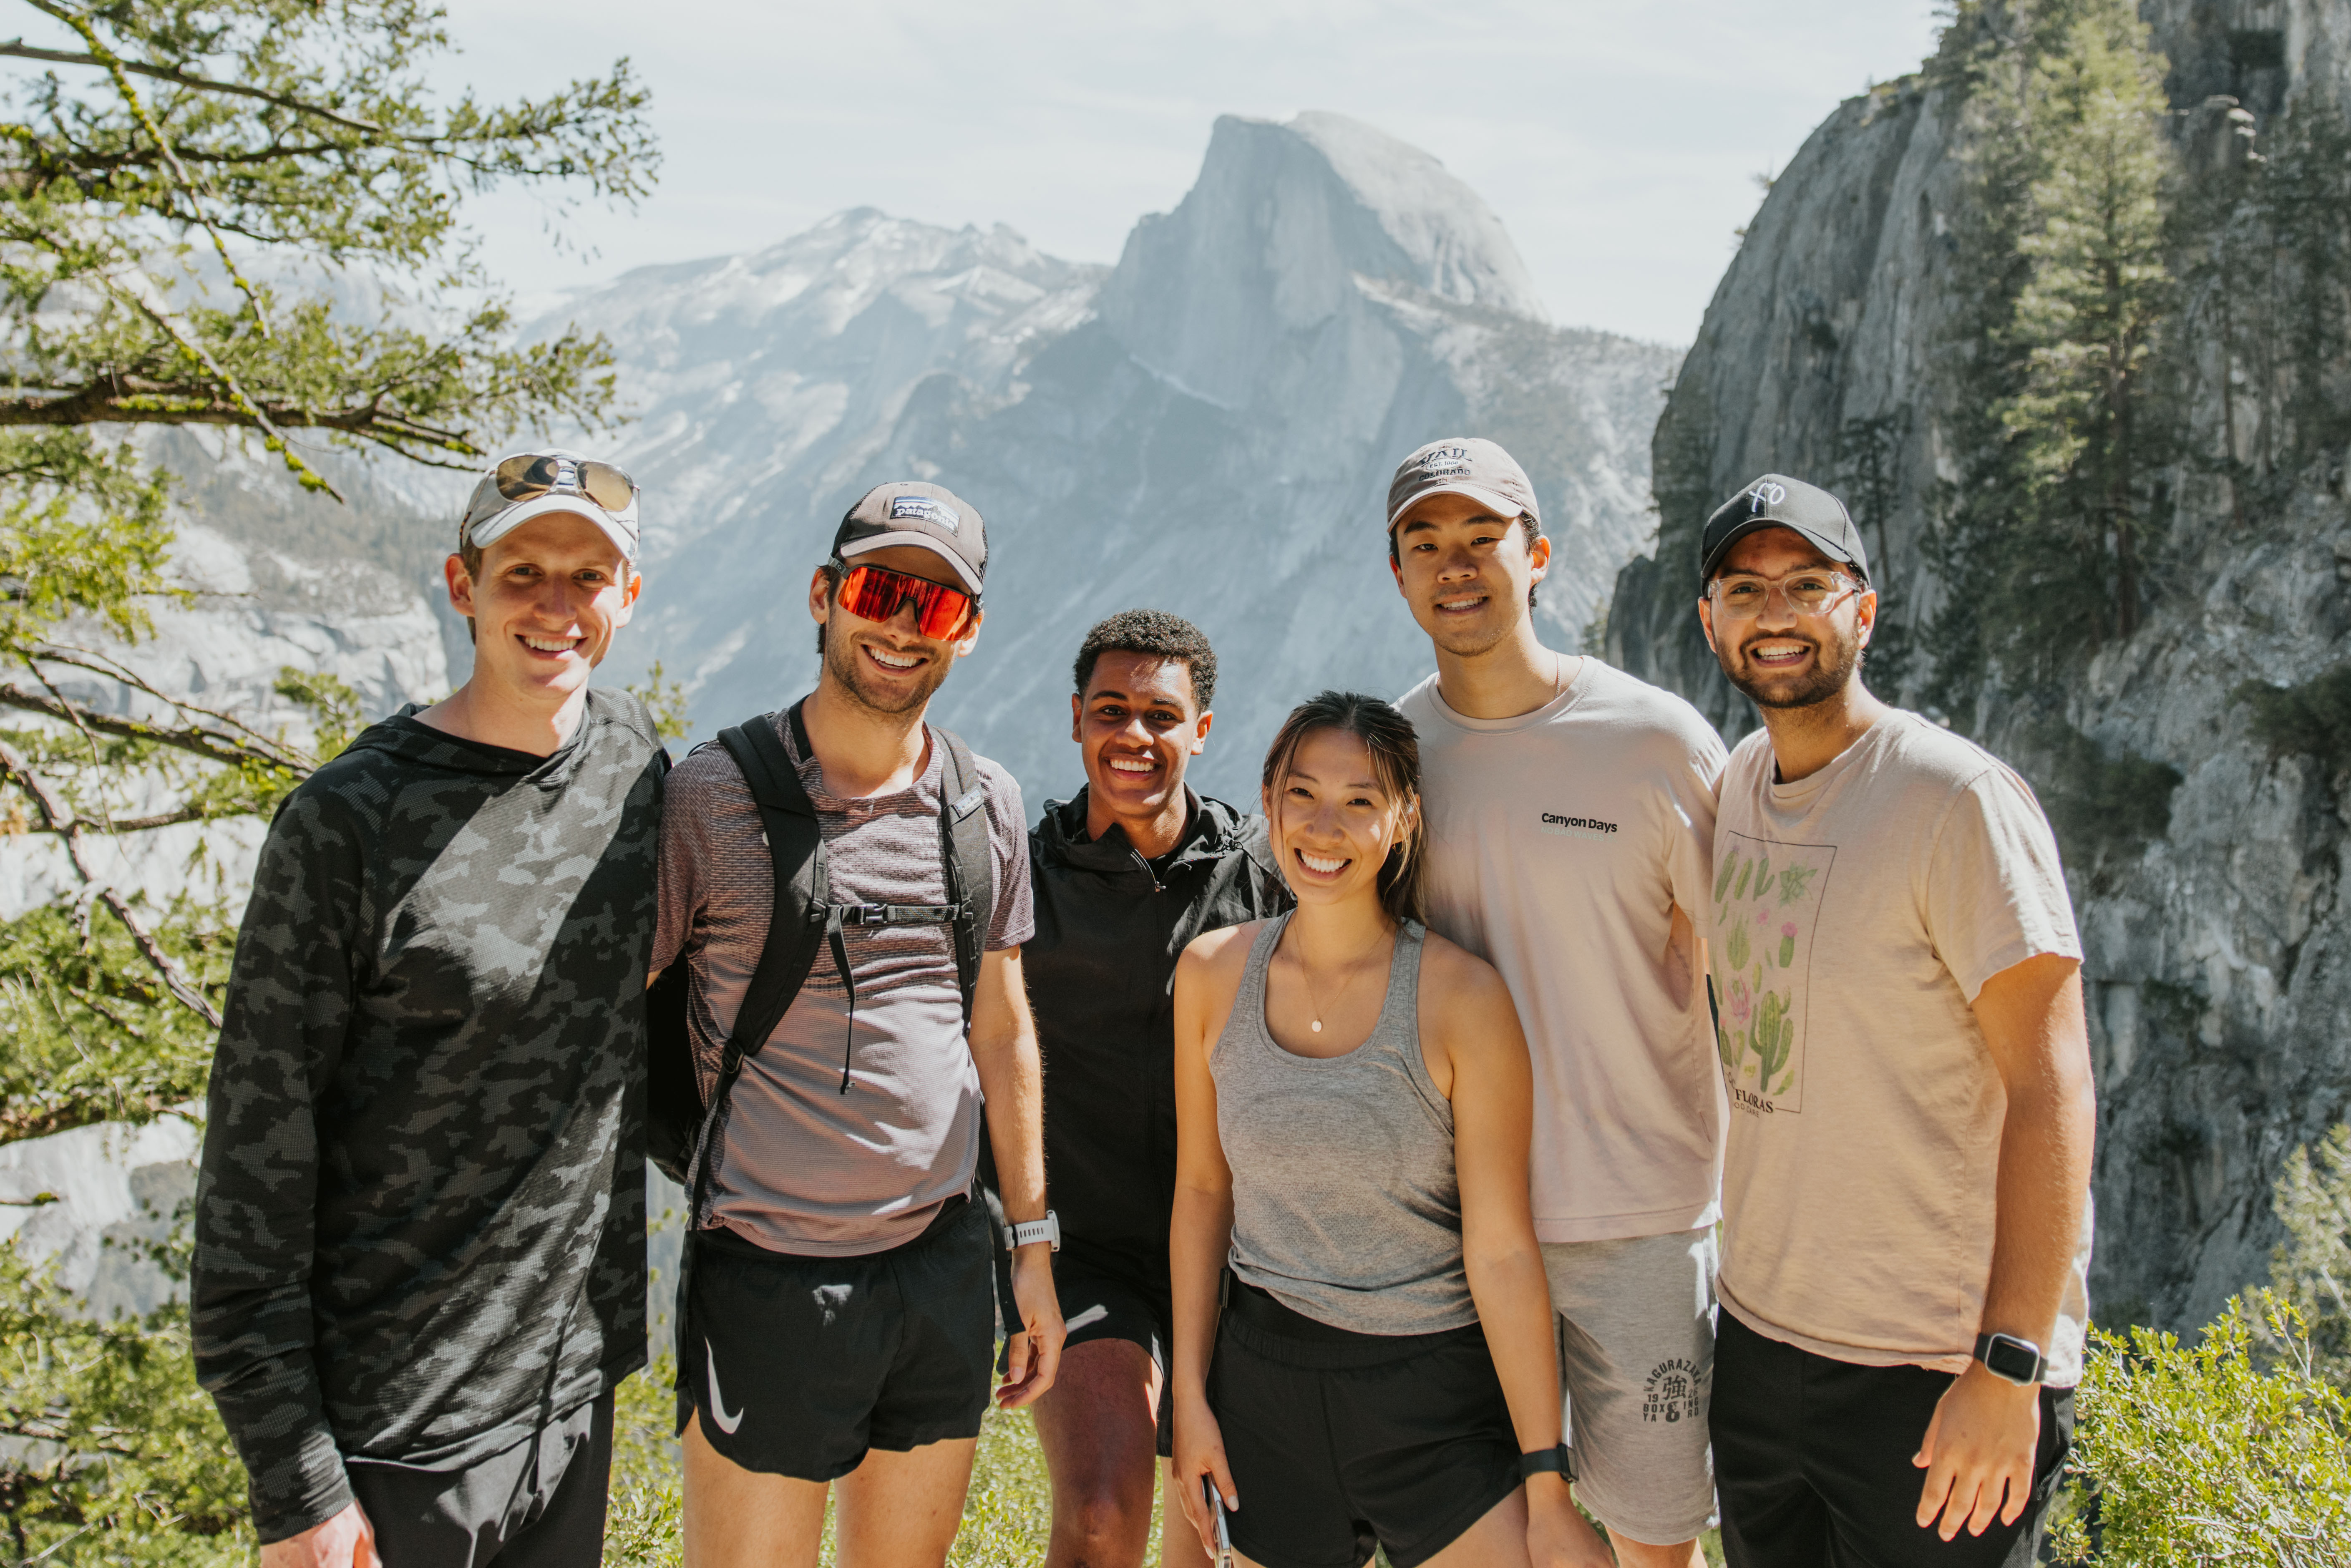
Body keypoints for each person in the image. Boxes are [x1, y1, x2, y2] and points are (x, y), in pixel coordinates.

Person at [192, 451, 665, 1568]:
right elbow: (256, 1158)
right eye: (522, 573)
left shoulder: (634, 762)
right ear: (463, 585)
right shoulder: (347, 822)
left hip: (570, 1396)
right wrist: (295, 1481)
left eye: (587, 577)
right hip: (395, 1431)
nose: (556, 607)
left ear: (628, 596)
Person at [652, 481, 1065, 1568]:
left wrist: (1029, 1248)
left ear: (968, 631)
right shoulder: (711, 797)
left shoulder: (984, 802)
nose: (903, 626)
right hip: (766, 1272)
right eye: (881, 591)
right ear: (823, 595)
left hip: (941, 1269)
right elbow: (605, 1013)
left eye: (938, 606)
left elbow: (1001, 1028)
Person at [1692, 474, 2094, 1566]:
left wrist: (2008, 1365)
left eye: (1806, 585)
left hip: (1934, 1366)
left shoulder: (1952, 799)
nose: (1775, 613)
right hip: (1762, 1343)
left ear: (1861, 611)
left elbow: (2053, 1086)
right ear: (1710, 621)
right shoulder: (1741, 785)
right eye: (1744, 590)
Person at [1168, 692, 1612, 1568]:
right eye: (1303, 794)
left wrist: (1545, 1483)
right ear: (1270, 799)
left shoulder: (1462, 997)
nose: (1323, 826)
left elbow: (1501, 1248)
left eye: (1360, 800)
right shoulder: (1211, 974)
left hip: (1432, 1398)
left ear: (1403, 818)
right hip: (1263, 1391)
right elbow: (1200, 1192)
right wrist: (1189, 1397)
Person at [1387, 437, 1728, 1565]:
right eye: (1426, 543)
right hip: (1457, 1229)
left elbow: (1753, 981)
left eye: (1482, 538)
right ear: (1396, 573)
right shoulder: (1391, 759)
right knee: (1489, 1545)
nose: (1455, 565)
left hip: (1641, 1224)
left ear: (1536, 555)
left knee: (1653, 1544)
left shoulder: (1655, 742)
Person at [1024, 609, 1291, 1568]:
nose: (1132, 734)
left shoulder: (1263, 876)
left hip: (1240, 1253)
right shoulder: (1022, 878)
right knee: (1100, 1510)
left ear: (1202, 730)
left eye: (1161, 715)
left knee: (1218, 1529)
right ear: (1075, 718)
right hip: (1084, 1250)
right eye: (1110, 710)